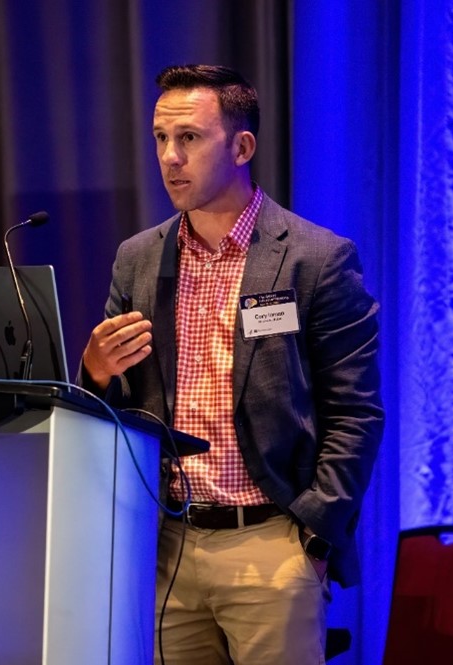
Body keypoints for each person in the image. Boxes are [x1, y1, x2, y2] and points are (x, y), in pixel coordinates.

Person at [79, 64, 384, 664]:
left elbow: (356, 413)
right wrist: (94, 373)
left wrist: (312, 534)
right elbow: (112, 416)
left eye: (188, 138)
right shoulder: (137, 259)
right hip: (168, 545)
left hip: (272, 542)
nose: (169, 157)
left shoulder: (315, 260)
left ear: (242, 146)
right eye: (161, 139)